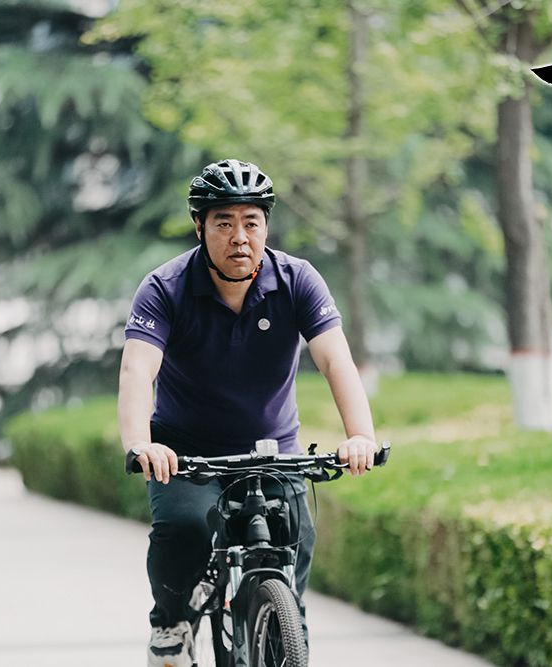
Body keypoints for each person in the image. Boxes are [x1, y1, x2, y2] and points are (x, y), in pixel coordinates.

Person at [117, 158, 377, 666]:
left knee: (296, 543)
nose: (240, 237)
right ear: (199, 226)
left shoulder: (297, 280)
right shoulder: (165, 288)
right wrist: (140, 444)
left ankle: (281, 632)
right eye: (224, 223)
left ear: (266, 227)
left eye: (251, 222)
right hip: (186, 454)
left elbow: (335, 360)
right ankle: (171, 623)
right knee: (185, 529)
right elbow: (137, 370)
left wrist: (360, 435)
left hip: (273, 450)